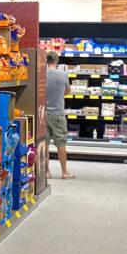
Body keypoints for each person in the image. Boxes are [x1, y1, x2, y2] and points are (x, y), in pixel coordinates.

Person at [45, 50, 74, 179]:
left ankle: (46, 172)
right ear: (56, 61)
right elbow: (67, 92)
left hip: (43, 114)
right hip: (58, 114)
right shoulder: (63, 75)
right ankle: (64, 172)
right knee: (61, 144)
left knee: (44, 144)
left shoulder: (41, 75)